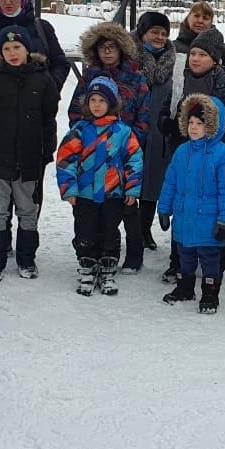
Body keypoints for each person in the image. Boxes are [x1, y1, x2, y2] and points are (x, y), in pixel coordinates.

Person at [0, 26, 58, 282]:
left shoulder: (42, 79)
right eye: (7, 49)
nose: (12, 53)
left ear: (27, 49)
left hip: (29, 159)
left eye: (17, 48)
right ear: (0, 52)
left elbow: (49, 118)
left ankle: (26, 259)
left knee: (27, 210)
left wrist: (46, 151)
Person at [68, 22, 151, 272]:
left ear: (122, 49)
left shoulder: (136, 78)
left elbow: (144, 114)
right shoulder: (89, 77)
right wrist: (86, 139)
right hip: (93, 153)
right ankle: (96, 252)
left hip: (125, 149)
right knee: (94, 205)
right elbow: (75, 112)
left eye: (112, 47)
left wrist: (128, 140)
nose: (107, 52)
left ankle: (134, 254)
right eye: (103, 48)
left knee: (128, 204)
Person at [56, 76, 143, 297]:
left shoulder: (122, 132)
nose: (96, 105)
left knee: (109, 230)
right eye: (93, 100)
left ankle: (107, 268)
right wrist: (69, 188)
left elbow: (134, 158)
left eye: (102, 101)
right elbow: (66, 158)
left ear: (112, 104)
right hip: (85, 194)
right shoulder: (80, 130)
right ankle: (87, 266)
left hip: (113, 193)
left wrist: (132, 188)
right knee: (85, 229)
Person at [157, 94, 225, 314]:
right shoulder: (182, 152)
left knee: (210, 259)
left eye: (200, 124)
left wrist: (224, 219)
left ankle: (210, 293)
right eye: (190, 122)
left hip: (209, 219)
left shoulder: (223, 155)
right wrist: (164, 208)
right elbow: (170, 182)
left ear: (211, 125)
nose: (193, 128)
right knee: (185, 255)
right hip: (184, 217)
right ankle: (185, 288)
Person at [132, 11, 174, 252]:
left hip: (159, 129)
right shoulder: (129, 56)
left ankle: (143, 229)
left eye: (163, 33)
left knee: (152, 182)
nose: (159, 37)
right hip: (133, 127)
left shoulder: (173, 59)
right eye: (153, 32)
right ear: (142, 32)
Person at [172, 0, 225, 66]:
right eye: (196, 16)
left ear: (211, 22)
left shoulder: (220, 48)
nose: (200, 21)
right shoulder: (173, 47)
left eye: (205, 18)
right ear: (188, 18)